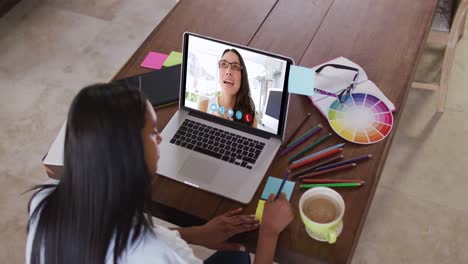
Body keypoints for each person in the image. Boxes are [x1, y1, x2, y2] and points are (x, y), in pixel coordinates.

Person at [26, 82, 293, 264]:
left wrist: (196, 234)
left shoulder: (44, 203)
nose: (161, 139)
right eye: (153, 133)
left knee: (235, 256)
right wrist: (269, 233)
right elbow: (152, 248)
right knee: (241, 255)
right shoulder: (159, 253)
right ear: (130, 157)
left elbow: (118, 241)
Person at [198, 49, 257, 127]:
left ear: (242, 76)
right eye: (224, 64)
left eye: (235, 66)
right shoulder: (203, 106)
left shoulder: (250, 118)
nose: (228, 71)